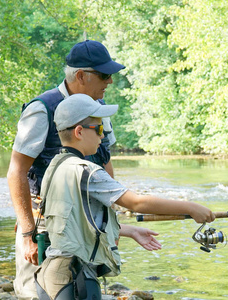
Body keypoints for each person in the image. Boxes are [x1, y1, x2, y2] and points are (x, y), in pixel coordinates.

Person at [34, 94, 215, 299]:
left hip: (52, 273)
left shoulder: (56, 165)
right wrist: (190, 207)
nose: (103, 136)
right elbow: (136, 203)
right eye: (100, 129)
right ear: (79, 131)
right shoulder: (87, 171)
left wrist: (128, 230)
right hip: (73, 277)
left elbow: (74, 223)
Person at [7, 40, 125, 299]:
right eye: (105, 75)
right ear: (81, 75)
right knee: (34, 293)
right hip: (43, 226)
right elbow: (16, 172)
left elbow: (105, 164)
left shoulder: (99, 110)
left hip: (87, 229)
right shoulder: (41, 109)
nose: (110, 82)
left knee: (83, 292)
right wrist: (28, 233)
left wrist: (111, 225)